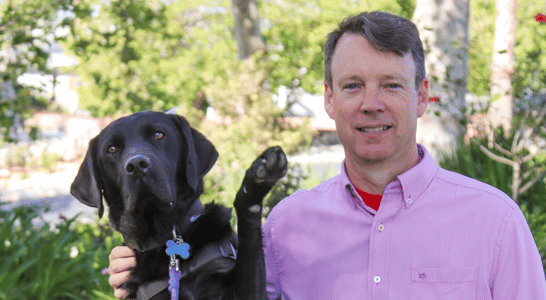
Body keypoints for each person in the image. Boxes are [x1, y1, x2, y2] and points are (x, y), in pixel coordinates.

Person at [108, 11, 546, 300]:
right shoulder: (285, 226)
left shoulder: (495, 223)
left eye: (391, 85)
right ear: (330, 99)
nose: (370, 103)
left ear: (422, 97)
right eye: (353, 86)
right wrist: (147, 267)